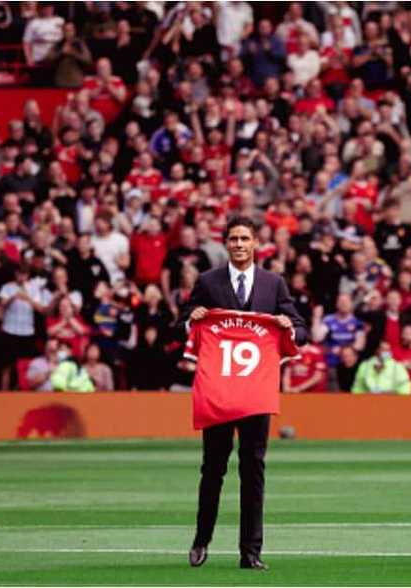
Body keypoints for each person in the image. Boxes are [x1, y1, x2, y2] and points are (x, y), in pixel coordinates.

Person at [184, 216, 308, 570]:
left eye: (244, 239)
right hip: (219, 393)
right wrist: (192, 317)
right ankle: (201, 539)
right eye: (233, 238)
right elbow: (181, 321)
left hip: (255, 394)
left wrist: (289, 326)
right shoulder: (208, 282)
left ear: (256, 244)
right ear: (226, 244)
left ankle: (250, 552)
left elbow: (299, 324)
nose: (238, 244)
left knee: (253, 470)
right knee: (213, 469)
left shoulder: (273, 284)